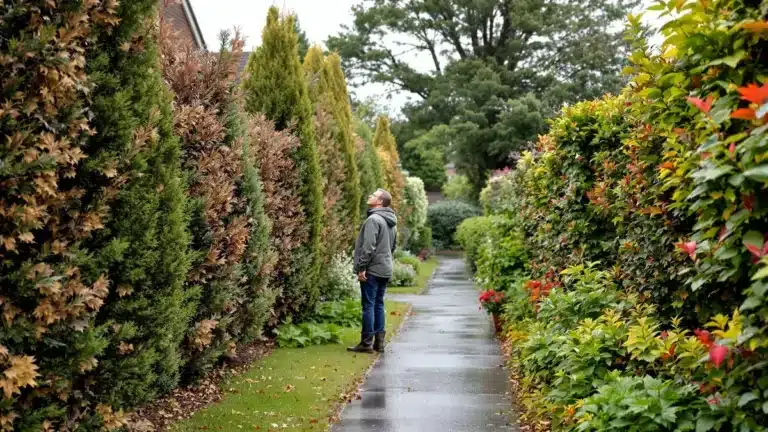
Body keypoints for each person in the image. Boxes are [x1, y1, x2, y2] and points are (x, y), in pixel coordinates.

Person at [348, 188, 397, 353]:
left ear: (380, 202)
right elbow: (392, 247)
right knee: (378, 304)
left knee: (368, 305)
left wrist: (362, 268)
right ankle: (379, 343)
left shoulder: (374, 219)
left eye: (374, 195)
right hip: (385, 268)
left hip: (373, 269)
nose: (370, 196)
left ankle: (366, 343)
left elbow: (368, 247)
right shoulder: (391, 221)